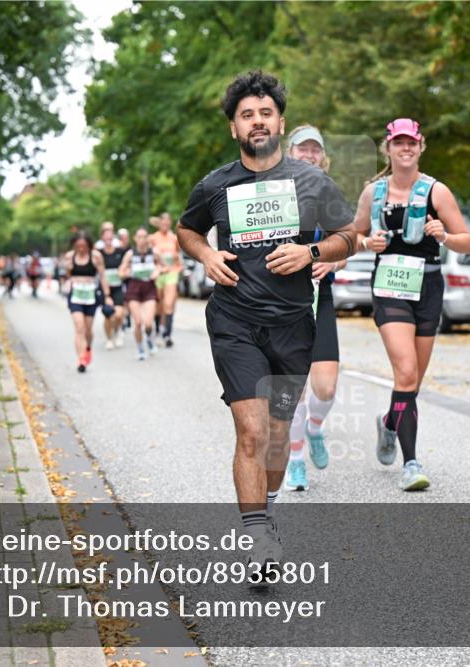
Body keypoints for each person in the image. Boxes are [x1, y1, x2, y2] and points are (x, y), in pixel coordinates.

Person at [177, 71, 357, 575]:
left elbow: (349, 237)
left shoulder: (312, 182)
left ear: (280, 121)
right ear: (235, 128)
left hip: (293, 328)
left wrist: (312, 251)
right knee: (251, 432)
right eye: (246, 115)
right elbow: (186, 230)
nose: (257, 121)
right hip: (235, 322)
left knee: (278, 438)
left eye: (265, 113)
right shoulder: (215, 184)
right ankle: (258, 541)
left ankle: (267, 513)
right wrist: (206, 255)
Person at [352, 118, 470, 492]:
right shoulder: (373, 192)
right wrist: (364, 243)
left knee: (413, 380)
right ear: (387, 149)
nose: (405, 148)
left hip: (428, 285)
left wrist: (445, 235)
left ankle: (390, 421)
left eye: (411, 143)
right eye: (397, 142)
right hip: (389, 284)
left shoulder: (437, 192)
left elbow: (467, 241)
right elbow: (352, 233)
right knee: (405, 372)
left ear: (421, 147)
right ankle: (412, 463)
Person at [282, 125, 347, 492]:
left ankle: (315, 428)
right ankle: (294, 461)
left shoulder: (329, 195)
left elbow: (346, 247)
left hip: (320, 297)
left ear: (323, 157)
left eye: (315, 150)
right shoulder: (274, 195)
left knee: (324, 388)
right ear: (289, 152)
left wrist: (332, 263)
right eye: (302, 149)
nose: (309, 155)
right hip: (282, 302)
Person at [62, 231, 115, 373]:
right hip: (75, 296)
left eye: (84, 246)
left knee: (87, 330)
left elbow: (103, 277)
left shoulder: (96, 256)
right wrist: (68, 271)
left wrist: (107, 295)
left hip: (90, 296)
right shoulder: (69, 256)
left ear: (89, 245)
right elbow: (66, 276)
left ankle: (87, 348)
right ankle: (81, 359)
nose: (81, 249)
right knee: (79, 327)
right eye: (78, 246)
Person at [119, 227, 163, 360]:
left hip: (149, 288)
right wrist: (127, 273)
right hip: (134, 289)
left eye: (144, 236)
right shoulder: (130, 254)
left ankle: (149, 339)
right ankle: (140, 348)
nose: (142, 239)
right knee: (138, 322)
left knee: (148, 323)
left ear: (147, 238)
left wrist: (158, 270)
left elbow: (165, 266)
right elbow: (121, 272)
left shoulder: (154, 253)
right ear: (135, 238)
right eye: (139, 237)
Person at [151, 212, 183, 347]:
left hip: (171, 272)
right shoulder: (152, 238)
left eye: (168, 223)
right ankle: (158, 330)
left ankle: (167, 334)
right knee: (159, 305)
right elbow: (149, 257)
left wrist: (177, 264)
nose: (165, 225)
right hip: (158, 274)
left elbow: (177, 254)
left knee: (169, 304)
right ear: (159, 224)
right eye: (163, 223)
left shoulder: (174, 238)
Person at [99, 222, 129, 349]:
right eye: (106, 238)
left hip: (117, 287)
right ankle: (109, 339)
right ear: (102, 238)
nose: (109, 240)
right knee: (108, 314)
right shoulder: (98, 253)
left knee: (119, 314)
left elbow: (128, 265)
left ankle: (117, 330)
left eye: (111, 238)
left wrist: (125, 272)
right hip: (104, 288)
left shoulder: (120, 252)